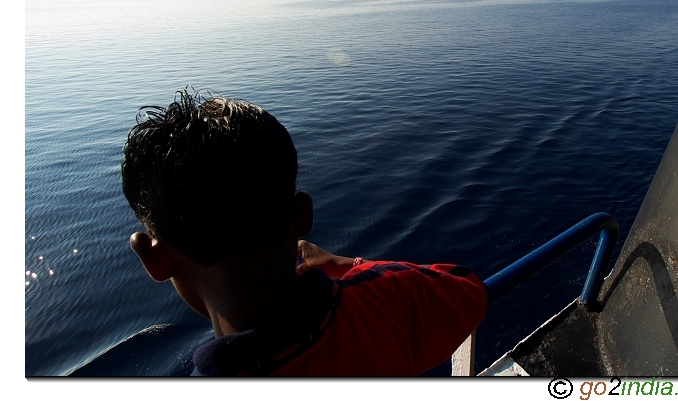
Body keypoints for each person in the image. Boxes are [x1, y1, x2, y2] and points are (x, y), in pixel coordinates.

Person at [121, 89, 488, 376]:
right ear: (302, 216)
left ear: (153, 258)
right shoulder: (385, 299)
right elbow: (467, 288)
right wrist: (347, 264)